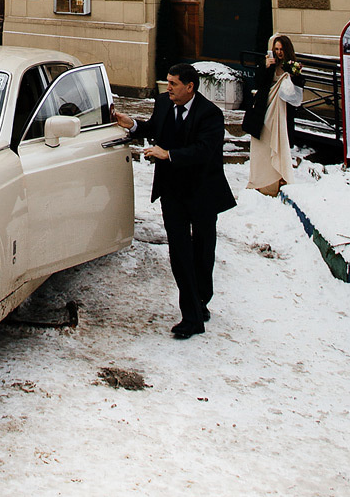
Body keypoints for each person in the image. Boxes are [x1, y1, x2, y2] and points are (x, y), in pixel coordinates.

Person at [113, 62, 236, 339]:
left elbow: (204, 151)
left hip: (203, 192)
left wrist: (168, 155)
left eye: (173, 84)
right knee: (179, 252)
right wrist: (131, 124)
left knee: (203, 252)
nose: (167, 88)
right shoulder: (163, 103)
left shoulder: (211, 115)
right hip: (172, 192)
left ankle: (200, 300)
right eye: (166, 82)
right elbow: (154, 129)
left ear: (190, 87)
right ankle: (191, 317)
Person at [242, 34, 303, 196]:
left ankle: (279, 178)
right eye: (276, 49)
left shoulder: (292, 66)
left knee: (280, 142)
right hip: (264, 108)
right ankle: (262, 180)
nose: (279, 52)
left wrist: (295, 72)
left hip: (282, 111)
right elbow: (260, 84)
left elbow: (298, 89)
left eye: (282, 49)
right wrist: (266, 67)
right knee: (262, 142)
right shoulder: (268, 64)